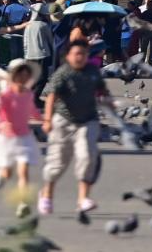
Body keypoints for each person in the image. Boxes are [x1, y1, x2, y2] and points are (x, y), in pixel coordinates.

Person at [38, 40, 109, 217]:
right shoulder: (63, 73)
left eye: (83, 54)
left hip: (88, 120)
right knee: (57, 163)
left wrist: (110, 105)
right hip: (64, 120)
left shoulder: (93, 71)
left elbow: (101, 90)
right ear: (68, 56)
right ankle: (46, 195)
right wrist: (47, 120)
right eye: (76, 54)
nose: (80, 57)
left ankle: (83, 199)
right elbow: (51, 97)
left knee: (87, 156)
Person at [0, 58, 42, 218]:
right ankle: (2, 172)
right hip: (7, 139)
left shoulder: (28, 94)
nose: (23, 78)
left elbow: (32, 111)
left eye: (26, 76)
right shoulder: (5, 94)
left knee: (24, 171)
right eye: (20, 75)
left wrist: (45, 119)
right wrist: (2, 124)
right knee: (7, 173)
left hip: (24, 138)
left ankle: (23, 203)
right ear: (14, 76)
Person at [22, 9, 55, 108]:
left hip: (29, 56)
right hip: (42, 55)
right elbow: (50, 40)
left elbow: (25, 42)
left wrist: (26, 54)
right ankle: (35, 98)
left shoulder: (27, 25)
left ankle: (29, 98)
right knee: (43, 78)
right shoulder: (44, 25)